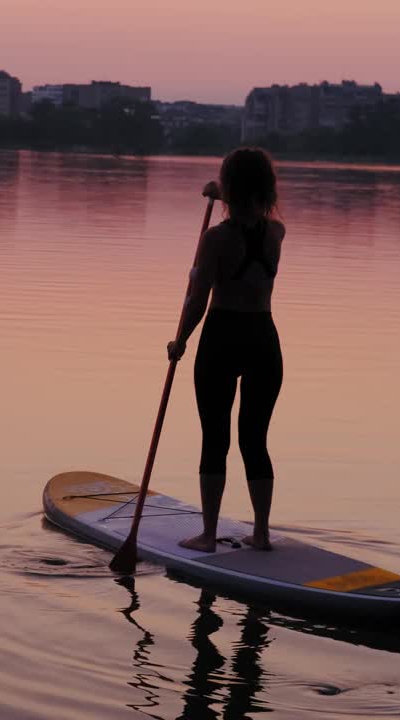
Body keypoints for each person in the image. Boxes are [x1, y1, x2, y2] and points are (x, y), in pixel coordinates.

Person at [167, 148, 285, 552]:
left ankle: (207, 535)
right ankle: (263, 534)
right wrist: (227, 192)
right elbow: (254, 213)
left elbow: (197, 299)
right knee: (255, 440)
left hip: (222, 337)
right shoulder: (276, 233)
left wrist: (180, 340)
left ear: (229, 186)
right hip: (264, 339)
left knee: (214, 439)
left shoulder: (215, 238)